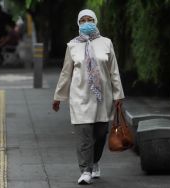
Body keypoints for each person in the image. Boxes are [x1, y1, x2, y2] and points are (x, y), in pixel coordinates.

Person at [52, 9, 125, 185]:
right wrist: (58, 97)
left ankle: (94, 161)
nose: (86, 23)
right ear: (78, 23)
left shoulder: (106, 43)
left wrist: (118, 95)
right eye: (83, 20)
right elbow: (66, 73)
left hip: (102, 98)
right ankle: (85, 170)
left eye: (89, 19)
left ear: (96, 21)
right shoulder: (72, 46)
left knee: (100, 134)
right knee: (84, 135)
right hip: (79, 97)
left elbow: (113, 71)